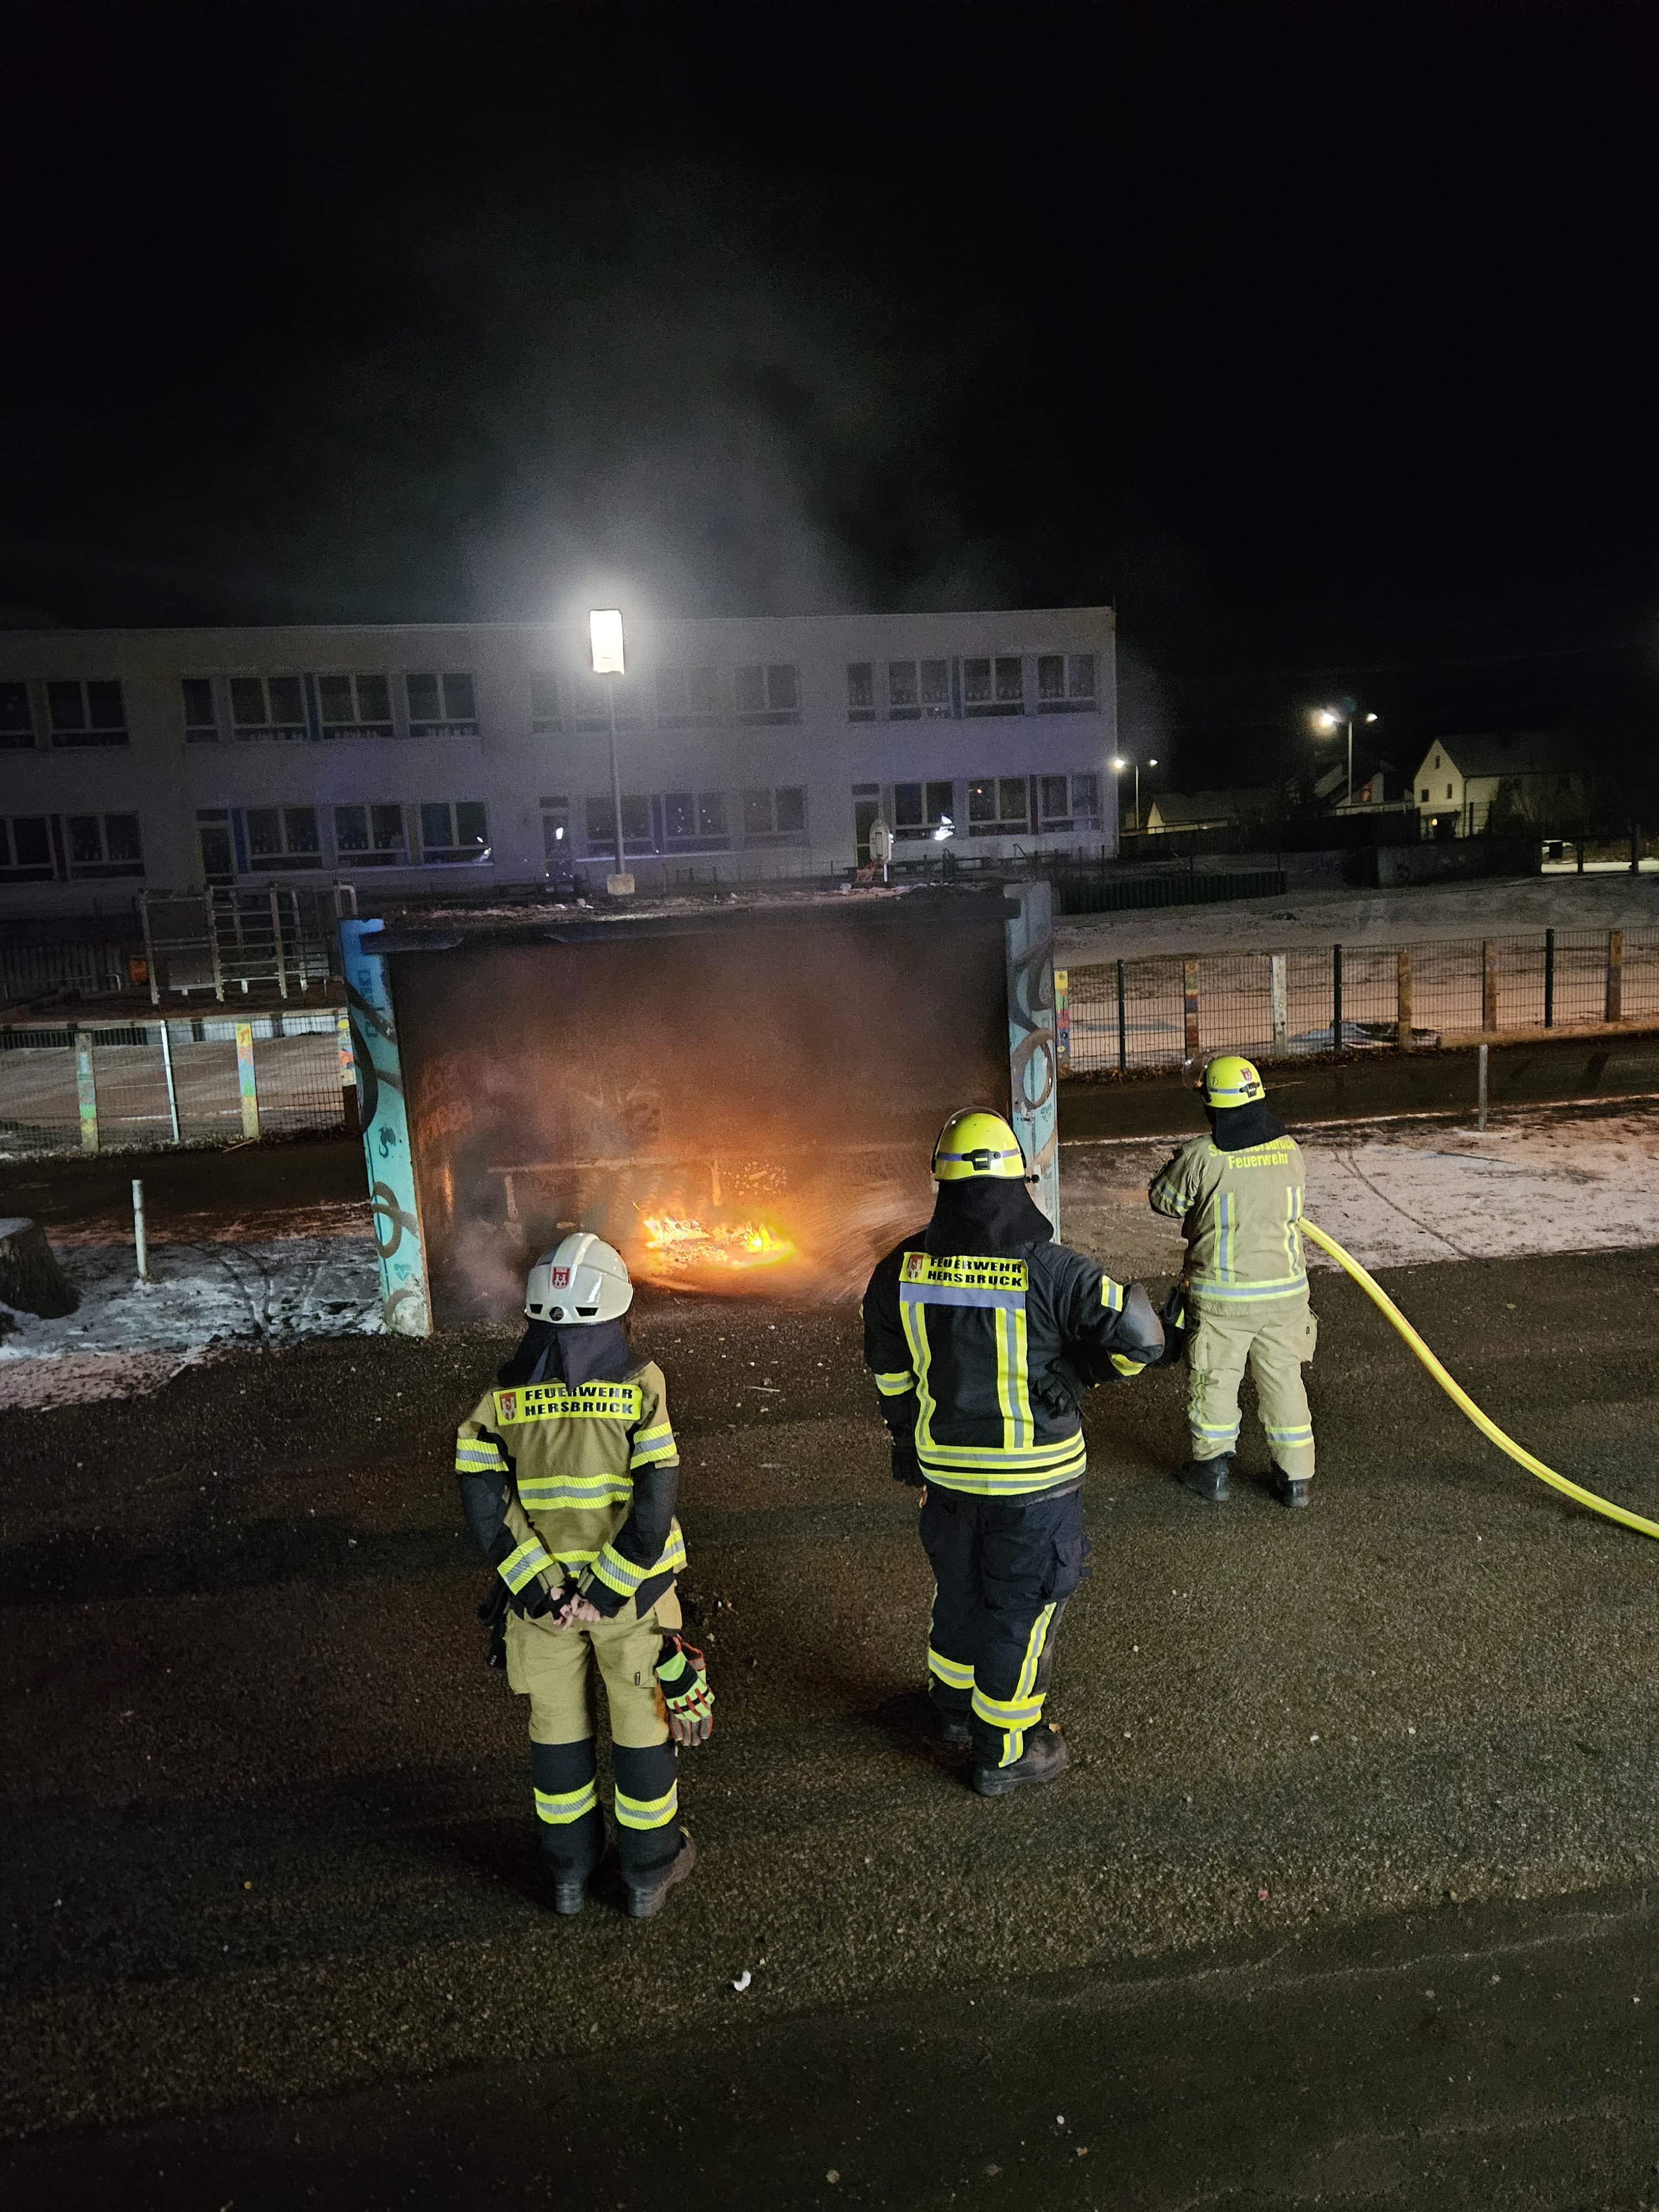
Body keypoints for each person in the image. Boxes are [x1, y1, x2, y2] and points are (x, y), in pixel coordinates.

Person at [862, 1108, 1164, 1796]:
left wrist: (909, 1440)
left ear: (940, 1182)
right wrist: (1084, 1373)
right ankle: (1003, 1751)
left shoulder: (898, 1271)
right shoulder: (1055, 1271)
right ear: (1020, 1180)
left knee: (960, 1595)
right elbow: (1144, 1337)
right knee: (1020, 1612)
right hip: (1034, 1486)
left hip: (946, 1477)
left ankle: (950, 1712)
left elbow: (889, 1370)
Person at [454, 1233, 711, 1917]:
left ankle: (568, 1874)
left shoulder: (501, 1399)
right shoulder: (639, 1386)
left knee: (557, 1732)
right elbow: (655, 1499)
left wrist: (544, 1589)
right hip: (628, 1604)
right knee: (641, 1726)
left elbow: (485, 1500)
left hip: (543, 1612)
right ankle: (647, 1872)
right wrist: (602, 1592)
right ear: (616, 1307)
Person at [1148, 1054, 1317, 1507]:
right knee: (1284, 1381)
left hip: (1224, 1298)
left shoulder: (1204, 1155)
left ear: (1212, 1106)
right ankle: (1296, 1480)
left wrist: (1177, 1164)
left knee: (1216, 1380)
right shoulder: (1290, 1149)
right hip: (1286, 1294)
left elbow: (1164, 1202)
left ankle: (1213, 1471)